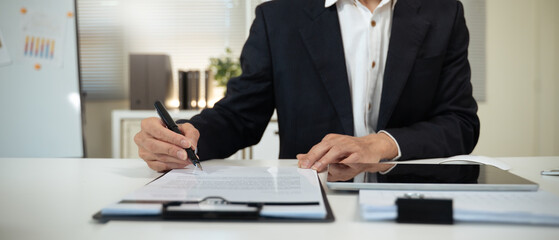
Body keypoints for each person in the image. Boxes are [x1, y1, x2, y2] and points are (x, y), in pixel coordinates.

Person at [134, 0, 480, 173]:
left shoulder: (443, 12)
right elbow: (240, 116)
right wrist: (186, 136)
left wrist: (382, 144)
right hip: (310, 198)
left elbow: (460, 123)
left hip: (412, 200)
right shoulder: (279, 16)